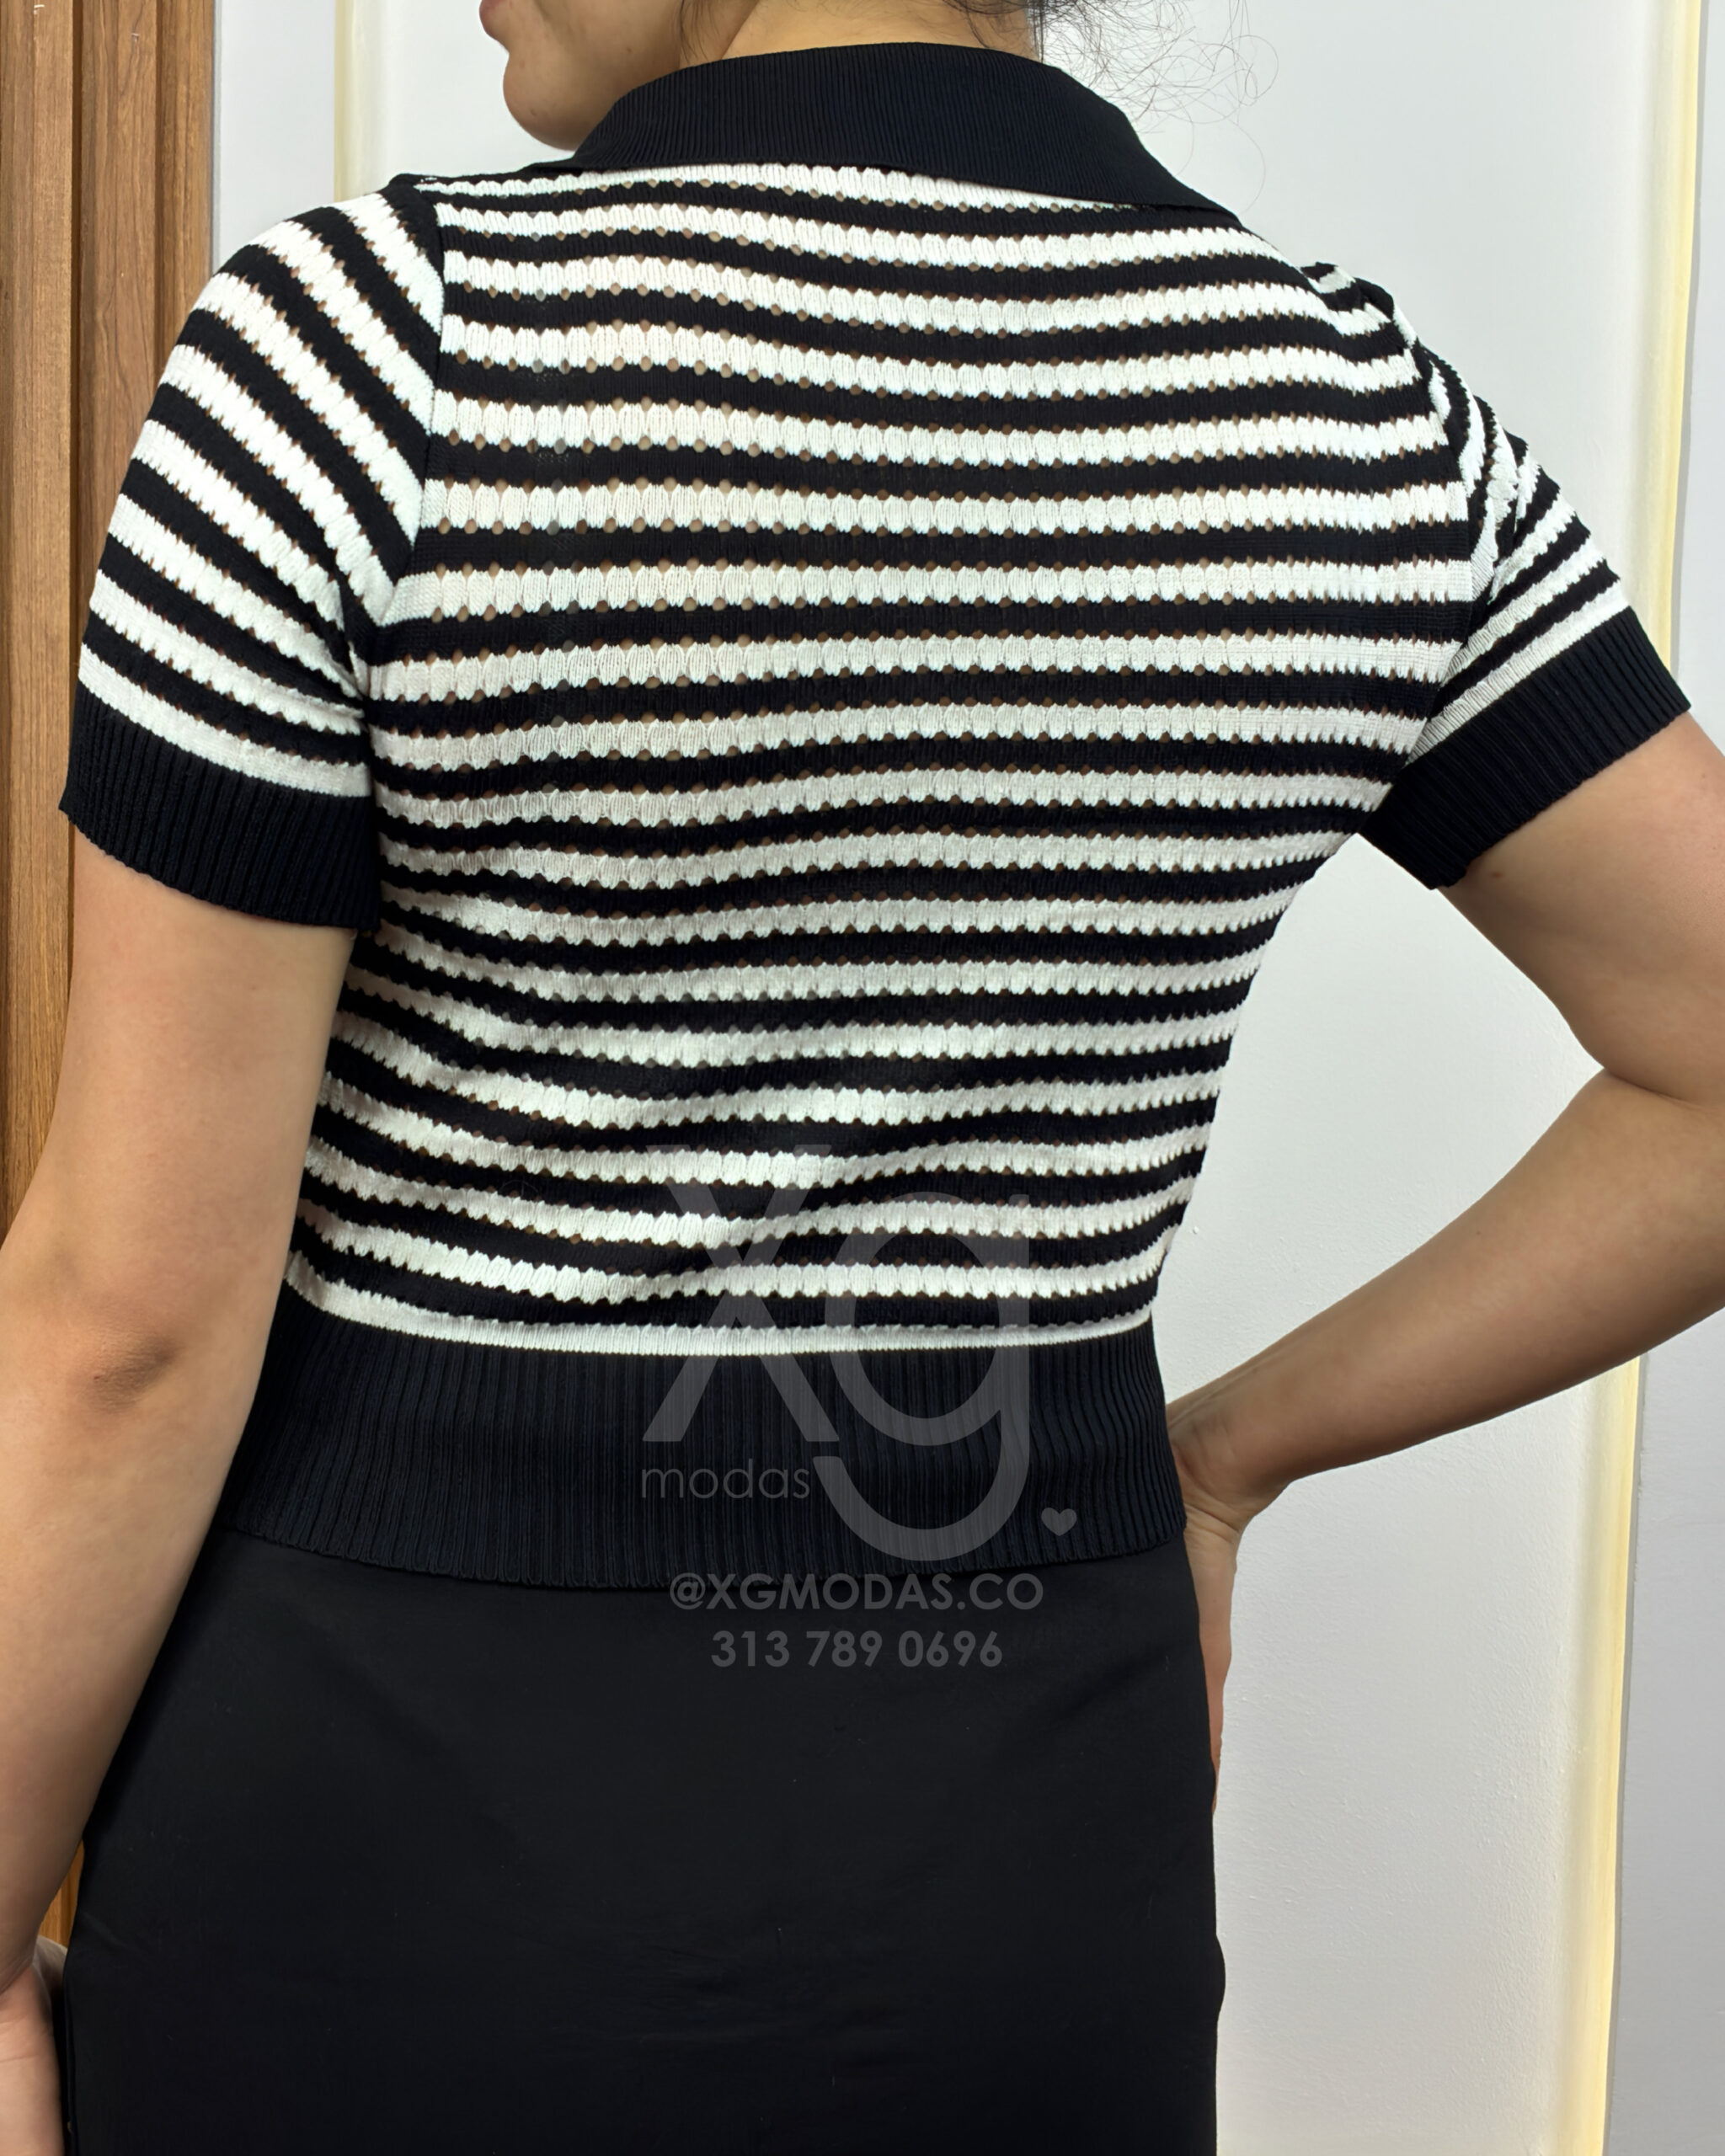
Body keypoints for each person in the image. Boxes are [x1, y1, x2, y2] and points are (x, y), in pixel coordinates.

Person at [3, 0, 1725, 2146]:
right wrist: (1215, 1458)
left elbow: (125, 1330)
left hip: (384, 1841)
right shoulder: (1350, 413)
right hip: (1030, 1851)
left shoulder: (368, 358)